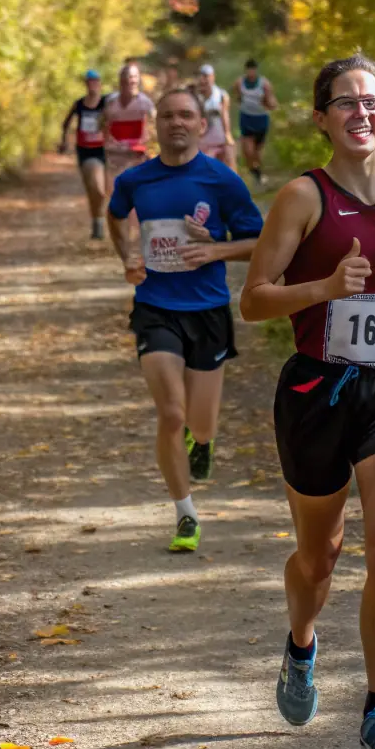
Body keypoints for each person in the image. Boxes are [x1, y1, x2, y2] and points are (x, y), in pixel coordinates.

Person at [240, 54, 375, 749]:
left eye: (373, 101)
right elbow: (256, 297)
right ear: (322, 116)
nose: (362, 113)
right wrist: (326, 286)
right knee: (319, 554)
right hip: (314, 393)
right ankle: (301, 642)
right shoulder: (303, 196)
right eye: (346, 102)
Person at [107, 87, 264, 553]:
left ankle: (205, 441)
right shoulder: (136, 181)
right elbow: (116, 217)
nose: (177, 122)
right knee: (171, 413)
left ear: (202, 124)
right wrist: (127, 256)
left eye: (187, 115)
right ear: (156, 124)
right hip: (155, 307)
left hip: (208, 310)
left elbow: (259, 240)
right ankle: (186, 514)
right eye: (168, 115)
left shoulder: (223, 181)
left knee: (201, 422)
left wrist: (215, 248)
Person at [59, 70, 108, 239]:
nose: (92, 85)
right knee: (94, 188)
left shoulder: (106, 102)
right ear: (86, 84)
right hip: (86, 150)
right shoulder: (79, 104)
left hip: (106, 150)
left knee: (103, 190)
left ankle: (100, 221)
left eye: (95, 81)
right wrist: (64, 142)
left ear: (100, 83)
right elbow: (66, 123)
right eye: (89, 82)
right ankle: (98, 222)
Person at [104, 62, 155, 182]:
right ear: (121, 80)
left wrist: (149, 144)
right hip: (114, 155)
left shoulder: (145, 103)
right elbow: (102, 125)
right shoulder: (111, 102)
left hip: (137, 155)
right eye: (128, 76)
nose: (131, 80)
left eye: (134, 77)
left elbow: (156, 125)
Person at [233, 58, 278, 186]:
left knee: (257, 152)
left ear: (256, 70)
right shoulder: (239, 82)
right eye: (249, 69)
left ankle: (258, 171)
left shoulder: (264, 84)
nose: (251, 72)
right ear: (246, 70)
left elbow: (272, 102)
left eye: (253, 69)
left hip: (261, 119)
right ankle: (254, 172)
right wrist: (242, 103)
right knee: (248, 151)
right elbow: (237, 97)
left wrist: (269, 103)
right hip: (246, 118)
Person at [195, 63, 236, 169]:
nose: (203, 80)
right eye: (201, 76)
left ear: (212, 77)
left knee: (228, 167)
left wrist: (227, 134)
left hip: (220, 139)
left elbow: (225, 114)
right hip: (202, 141)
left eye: (206, 76)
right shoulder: (194, 95)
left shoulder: (221, 95)